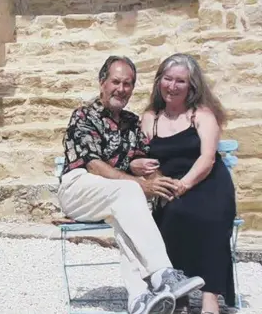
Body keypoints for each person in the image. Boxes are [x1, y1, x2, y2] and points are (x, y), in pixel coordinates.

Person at [57, 55, 205, 314]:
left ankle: (139, 300)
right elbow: (93, 165)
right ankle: (162, 274)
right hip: (78, 188)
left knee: (127, 213)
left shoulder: (132, 122)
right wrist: (138, 181)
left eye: (128, 84)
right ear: (102, 82)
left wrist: (159, 182)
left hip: (117, 195)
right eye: (115, 82)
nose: (121, 89)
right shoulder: (84, 115)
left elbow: (144, 160)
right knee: (129, 191)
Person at [133, 53, 236, 314]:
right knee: (171, 214)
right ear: (159, 82)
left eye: (180, 81)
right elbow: (144, 159)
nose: (173, 86)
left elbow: (208, 158)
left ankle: (210, 298)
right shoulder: (149, 118)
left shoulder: (201, 114)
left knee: (207, 217)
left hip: (207, 183)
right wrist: (157, 181)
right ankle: (177, 293)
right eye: (167, 79)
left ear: (191, 86)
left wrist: (183, 185)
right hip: (170, 187)